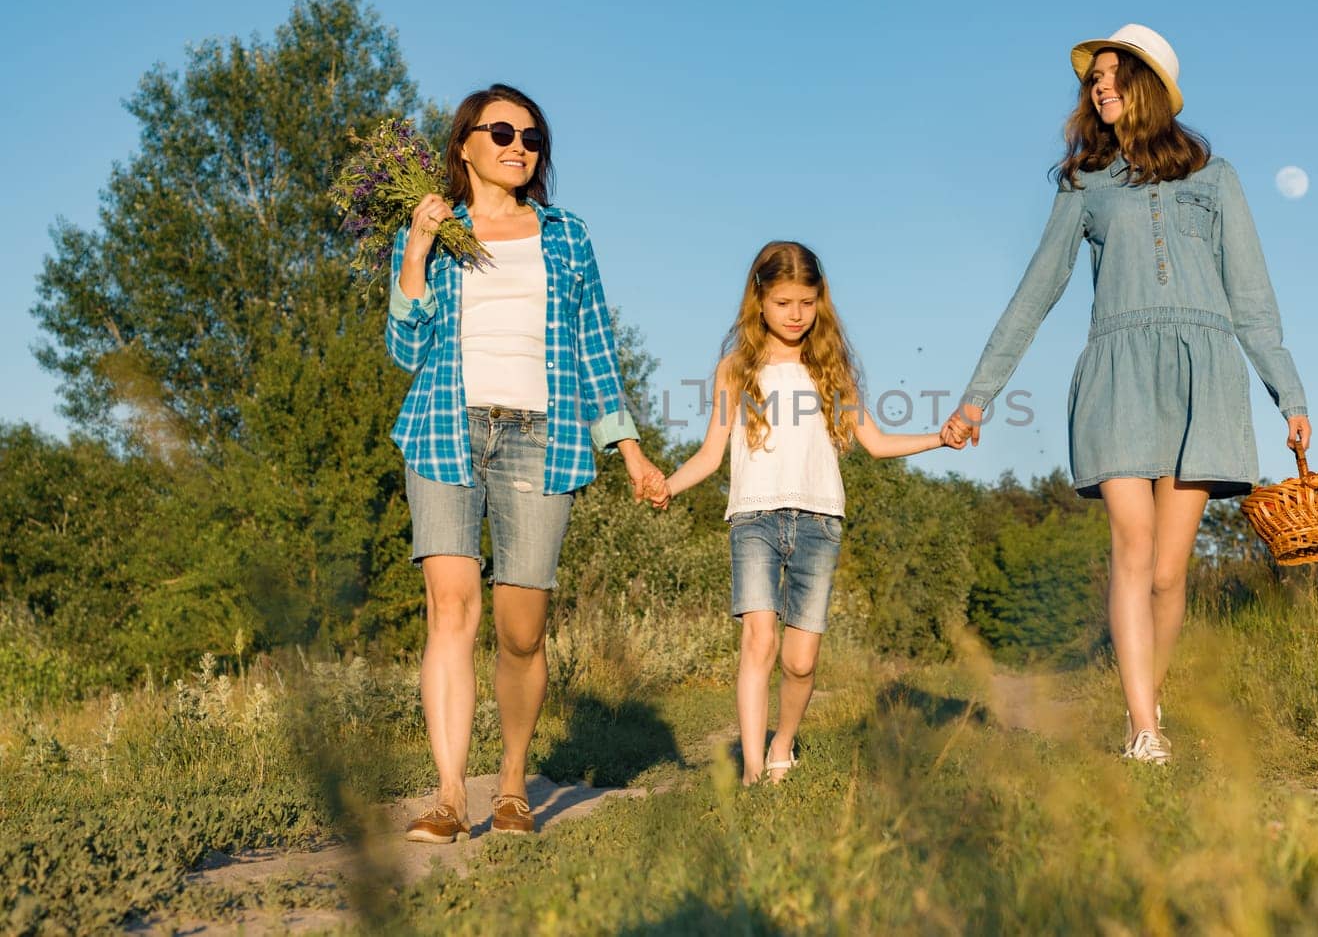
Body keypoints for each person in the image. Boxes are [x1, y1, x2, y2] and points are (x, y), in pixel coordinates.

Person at [943, 25, 1311, 765]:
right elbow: (1034, 293)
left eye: (1112, 74)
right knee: (1131, 548)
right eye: (1093, 78)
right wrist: (978, 395)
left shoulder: (1216, 177)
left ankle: (1150, 695)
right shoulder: (1083, 184)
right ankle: (1144, 726)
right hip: (1117, 373)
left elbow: (1253, 298)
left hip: (1200, 373)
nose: (1098, 86)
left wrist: (1289, 393)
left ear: (1150, 85)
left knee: (1171, 572)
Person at [387, 83, 665, 841]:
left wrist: (631, 453)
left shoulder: (567, 235)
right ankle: (450, 793)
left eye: (532, 137)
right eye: (503, 130)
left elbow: (597, 351)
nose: (519, 145)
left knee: (521, 630)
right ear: (465, 144)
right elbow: (406, 349)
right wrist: (414, 246)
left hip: (544, 437)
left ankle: (511, 781)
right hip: (445, 427)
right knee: (451, 609)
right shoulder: (436, 234)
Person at [651, 241, 959, 784]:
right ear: (759, 300)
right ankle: (750, 772)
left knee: (800, 662)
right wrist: (667, 486)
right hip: (753, 519)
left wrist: (940, 437)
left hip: (819, 523)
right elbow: (709, 453)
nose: (796, 315)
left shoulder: (830, 367)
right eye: (784, 302)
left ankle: (781, 748)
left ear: (820, 302)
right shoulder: (735, 368)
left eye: (807, 302)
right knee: (759, 641)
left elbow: (877, 443)